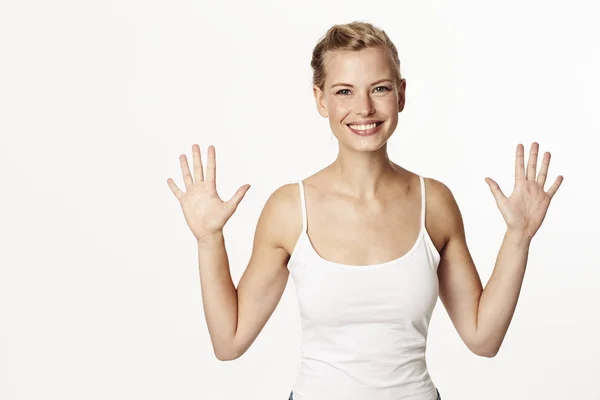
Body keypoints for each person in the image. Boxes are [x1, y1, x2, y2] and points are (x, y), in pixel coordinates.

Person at [166, 21, 563, 400]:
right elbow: (229, 340)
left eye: (379, 88)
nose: (364, 108)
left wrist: (518, 238)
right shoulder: (290, 209)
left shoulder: (434, 203)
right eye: (343, 91)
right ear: (321, 99)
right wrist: (209, 240)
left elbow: (483, 338)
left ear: (401, 94)